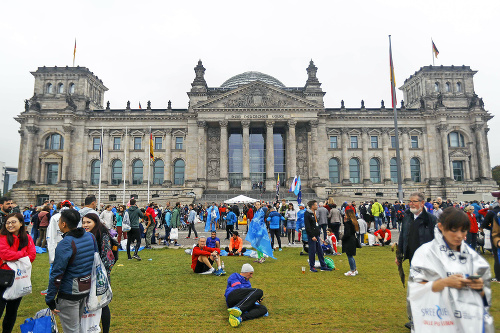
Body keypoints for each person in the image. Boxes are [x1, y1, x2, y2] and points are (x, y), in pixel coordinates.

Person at [408, 207, 493, 332]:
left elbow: (484, 300)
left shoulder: (472, 256)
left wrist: (479, 288)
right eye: (454, 230)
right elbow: (416, 290)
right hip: (435, 319)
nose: (459, 236)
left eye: (463, 231)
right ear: (441, 227)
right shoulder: (425, 253)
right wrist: (444, 283)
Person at [45, 209, 96, 333]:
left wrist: (50, 298)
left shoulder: (65, 244)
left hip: (69, 293)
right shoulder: (90, 236)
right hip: (85, 288)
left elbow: (57, 274)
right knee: (77, 327)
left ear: (63, 224)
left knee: (71, 329)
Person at [396, 192, 437, 329]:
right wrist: (399, 254)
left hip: (427, 262)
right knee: (412, 292)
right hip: (413, 261)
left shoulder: (431, 219)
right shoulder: (407, 217)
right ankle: (414, 319)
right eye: (410, 201)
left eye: (414, 201)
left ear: (422, 203)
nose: (411, 204)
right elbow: (402, 236)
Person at [0, 213, 36, 333]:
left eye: (13, 222)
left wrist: (14, 257)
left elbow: (31, 256)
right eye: (8, 222)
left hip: (19, 278)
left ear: (21, 223)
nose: (10, 225)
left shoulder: (27, 238)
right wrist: (22, 255)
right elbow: (4, 254)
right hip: (3, 277)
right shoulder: (2, 237)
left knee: (12, 311)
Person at [82, 213, 115, 333]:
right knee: (88, 302)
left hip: (100, 276)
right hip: (87, 274)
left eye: (88, 222)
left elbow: (108, 258)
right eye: (84, 222)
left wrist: (100, 273)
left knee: (103, 304)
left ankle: (105, 330)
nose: (85, 225)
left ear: (95, 222)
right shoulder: (84, 235)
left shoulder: (102, 234)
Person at [225, 264, 267, 328]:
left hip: (241, 302)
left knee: (263, 309)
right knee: (259, 291)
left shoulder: (248, 283)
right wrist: (250, 294)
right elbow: (237, 287)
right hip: (233, 296)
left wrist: (255, 299)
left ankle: (239, 318)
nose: (251, 276)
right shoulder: (235, 275)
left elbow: (248, 296)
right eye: (250, 273)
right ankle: (237, 308)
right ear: (245, 272)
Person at [304, 200, 332, 272]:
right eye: (316, 205)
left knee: (320, 251)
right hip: (312, 236)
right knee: (312, 251)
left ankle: (323, 266)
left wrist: (318, 235)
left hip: (316, 235)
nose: (317, 206)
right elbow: (307, 227)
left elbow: (315, 224)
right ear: (312, 206)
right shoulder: (307, 214)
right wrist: (312, 235)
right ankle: (312, 266)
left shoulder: (314, 213)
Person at [342, 210, 359, 276]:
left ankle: (352, 270)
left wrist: (343, 238)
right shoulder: (354, 222)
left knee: (349, 255)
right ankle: (354, 269)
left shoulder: (348, 223)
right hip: (353, 239)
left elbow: (347, 233)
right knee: (351, 255)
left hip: (349, 240)